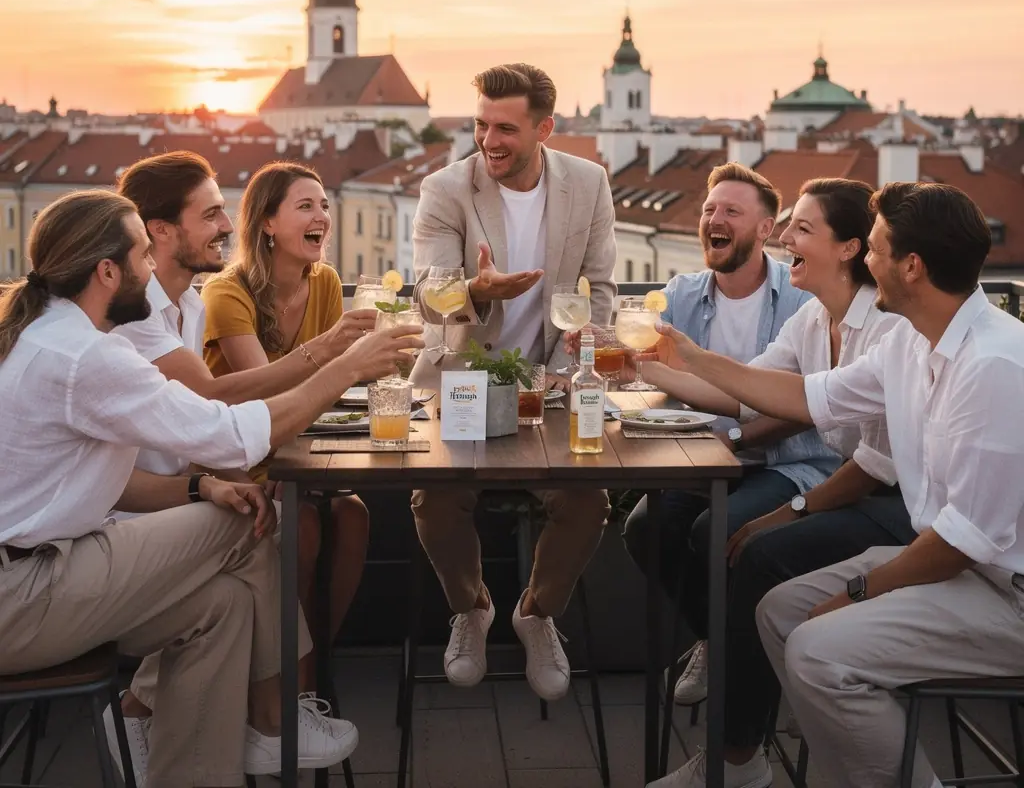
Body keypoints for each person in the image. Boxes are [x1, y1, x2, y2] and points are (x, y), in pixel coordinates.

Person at [0, 190, 422, 788]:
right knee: (244, 531)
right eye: (144, 257)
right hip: (20, 597)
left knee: (223, 607)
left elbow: (89, 483)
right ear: (107, 272)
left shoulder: (44, 334)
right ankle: (275, 718)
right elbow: (232, 435)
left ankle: (191, 760)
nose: (151, 273)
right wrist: (347, 367)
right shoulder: (87, 358)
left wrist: (200, 487)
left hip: (35, 575)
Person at [659, 181, 1024, 788]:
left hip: (1004, 593)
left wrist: (855, 593)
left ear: (911, 266)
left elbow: (963, 540)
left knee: (816, 650)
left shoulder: (994, 366)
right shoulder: (913, 338)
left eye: (875, 250)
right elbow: (805, 396)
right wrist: (689, 356)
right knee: (778, 611)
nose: (866, 263)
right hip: (959, 567)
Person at [108, 151, 377, 783]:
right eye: (211, 214)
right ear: (160, 232)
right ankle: (273, 714)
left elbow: (208, 424)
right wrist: (335, 357)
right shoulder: (140, 310)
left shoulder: (189, 306)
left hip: (173, 492)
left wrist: (211, 482)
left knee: (258, 546)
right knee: (263, 531)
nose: (227, 225)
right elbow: (218, 398)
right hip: (123, 514)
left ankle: (139, 710)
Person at [644, 178, 912, 788]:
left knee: (757, 553)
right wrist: (650, 364)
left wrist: (791, 508)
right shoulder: (817, 319)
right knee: (729, 546)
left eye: (802, 229)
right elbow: (743, 394)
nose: (785, 238)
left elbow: (876, 465)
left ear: (849, 249)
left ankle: (738, 758)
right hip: (865, 487)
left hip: (902, 506)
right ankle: (743, 737)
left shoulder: (890, 330)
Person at [410, 62, 616, 701]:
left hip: (553, 384)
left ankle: (536, 612)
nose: (488, 140)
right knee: (433, 499)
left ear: (544, 128)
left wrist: (579, 355)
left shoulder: (589, 183)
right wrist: (474, 288)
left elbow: (601, 288)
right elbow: (427, 294)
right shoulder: (445, 189)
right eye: (480, 124)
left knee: (589, 501)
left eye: (505, 127)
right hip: (465, 381)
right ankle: (471, 610)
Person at [623, 163, 838, 710]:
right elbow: (645, 365)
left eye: (731, 212)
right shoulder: (681, 294)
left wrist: (738, 438)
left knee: (710, 531)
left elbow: (802, 405)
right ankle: (715, 640)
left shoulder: (801, 298)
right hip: (699, 455)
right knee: (647, 528)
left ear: (766, 230)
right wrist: (615, 358)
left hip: (784, 462)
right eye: (708, 210)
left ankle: (743, 666)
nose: (714, 220)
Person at [201, 162, 374, 691]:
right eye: (306, 206)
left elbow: (319, 394)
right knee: (305, 525)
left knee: (354, 515)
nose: (322, 215)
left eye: (324, 205)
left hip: (297, 447)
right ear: (267, 224)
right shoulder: (227, 292)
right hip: (236, 457)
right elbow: (265, 391)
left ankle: (312, 664)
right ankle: (287, 686)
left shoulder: (323, 282)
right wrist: (336, 348)